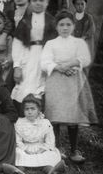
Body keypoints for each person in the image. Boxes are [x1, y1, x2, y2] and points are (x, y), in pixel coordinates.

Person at [41, 10, 98, 163]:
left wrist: (70, 64)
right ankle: (57, 149)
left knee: (73, 116)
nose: (65, 28)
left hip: (74, 81)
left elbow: (85, 59)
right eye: (61, 25)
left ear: (73, 26)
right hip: (56, 81)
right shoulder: (50, 43)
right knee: (55, 116)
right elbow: (44, 62)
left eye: (68, 24)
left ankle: (73, 150)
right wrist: (60, 68)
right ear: (56, 26)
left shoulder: (79, 42)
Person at [11, 0, 57, 114]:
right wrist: (17, 66)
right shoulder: (25, 21)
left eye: (41, 0)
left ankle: (42, 122)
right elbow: (17, 44)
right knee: (25, 86)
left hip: (47, 57)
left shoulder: (52, 21)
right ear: (30, 2)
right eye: (34, 0)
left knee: (44, 88)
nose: (38, 3)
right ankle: (24, 120)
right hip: (28, 56)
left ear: (47, 2)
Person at [15, 94, 65, 174]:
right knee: (18, 152)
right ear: (23, 110)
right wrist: (25, 149)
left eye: (33, 109)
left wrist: (42, 150)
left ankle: (50, 170)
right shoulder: (20, 122)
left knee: (50, 153)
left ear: (38, 110)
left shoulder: (45, 123)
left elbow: (50, 141)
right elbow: (18, 141)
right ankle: (20, 170)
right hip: (26, 148)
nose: (29, 112)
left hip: (41, 147)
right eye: (27, 109)